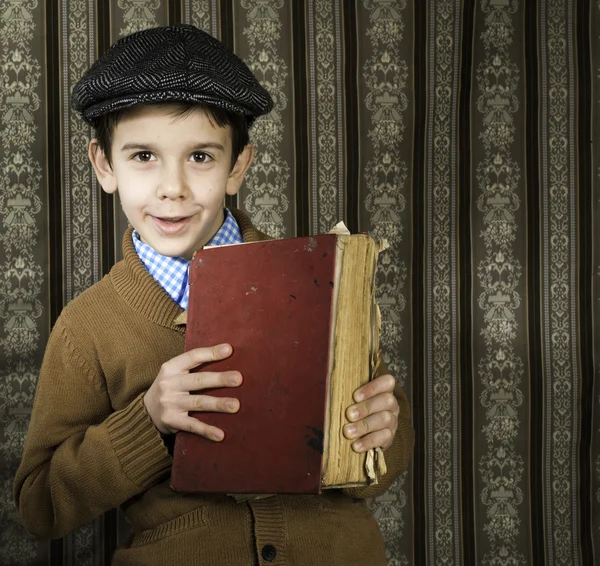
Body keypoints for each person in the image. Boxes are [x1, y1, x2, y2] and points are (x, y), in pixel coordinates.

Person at [14, 24, 414, 565]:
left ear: (238, 165)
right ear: (104, 165)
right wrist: (148, 421)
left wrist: (382, 432)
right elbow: (40, 506)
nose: (172, 186)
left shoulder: (320, 280)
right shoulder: (88, 326)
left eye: (200, 156)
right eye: (143, 156)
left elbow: (376, 476)